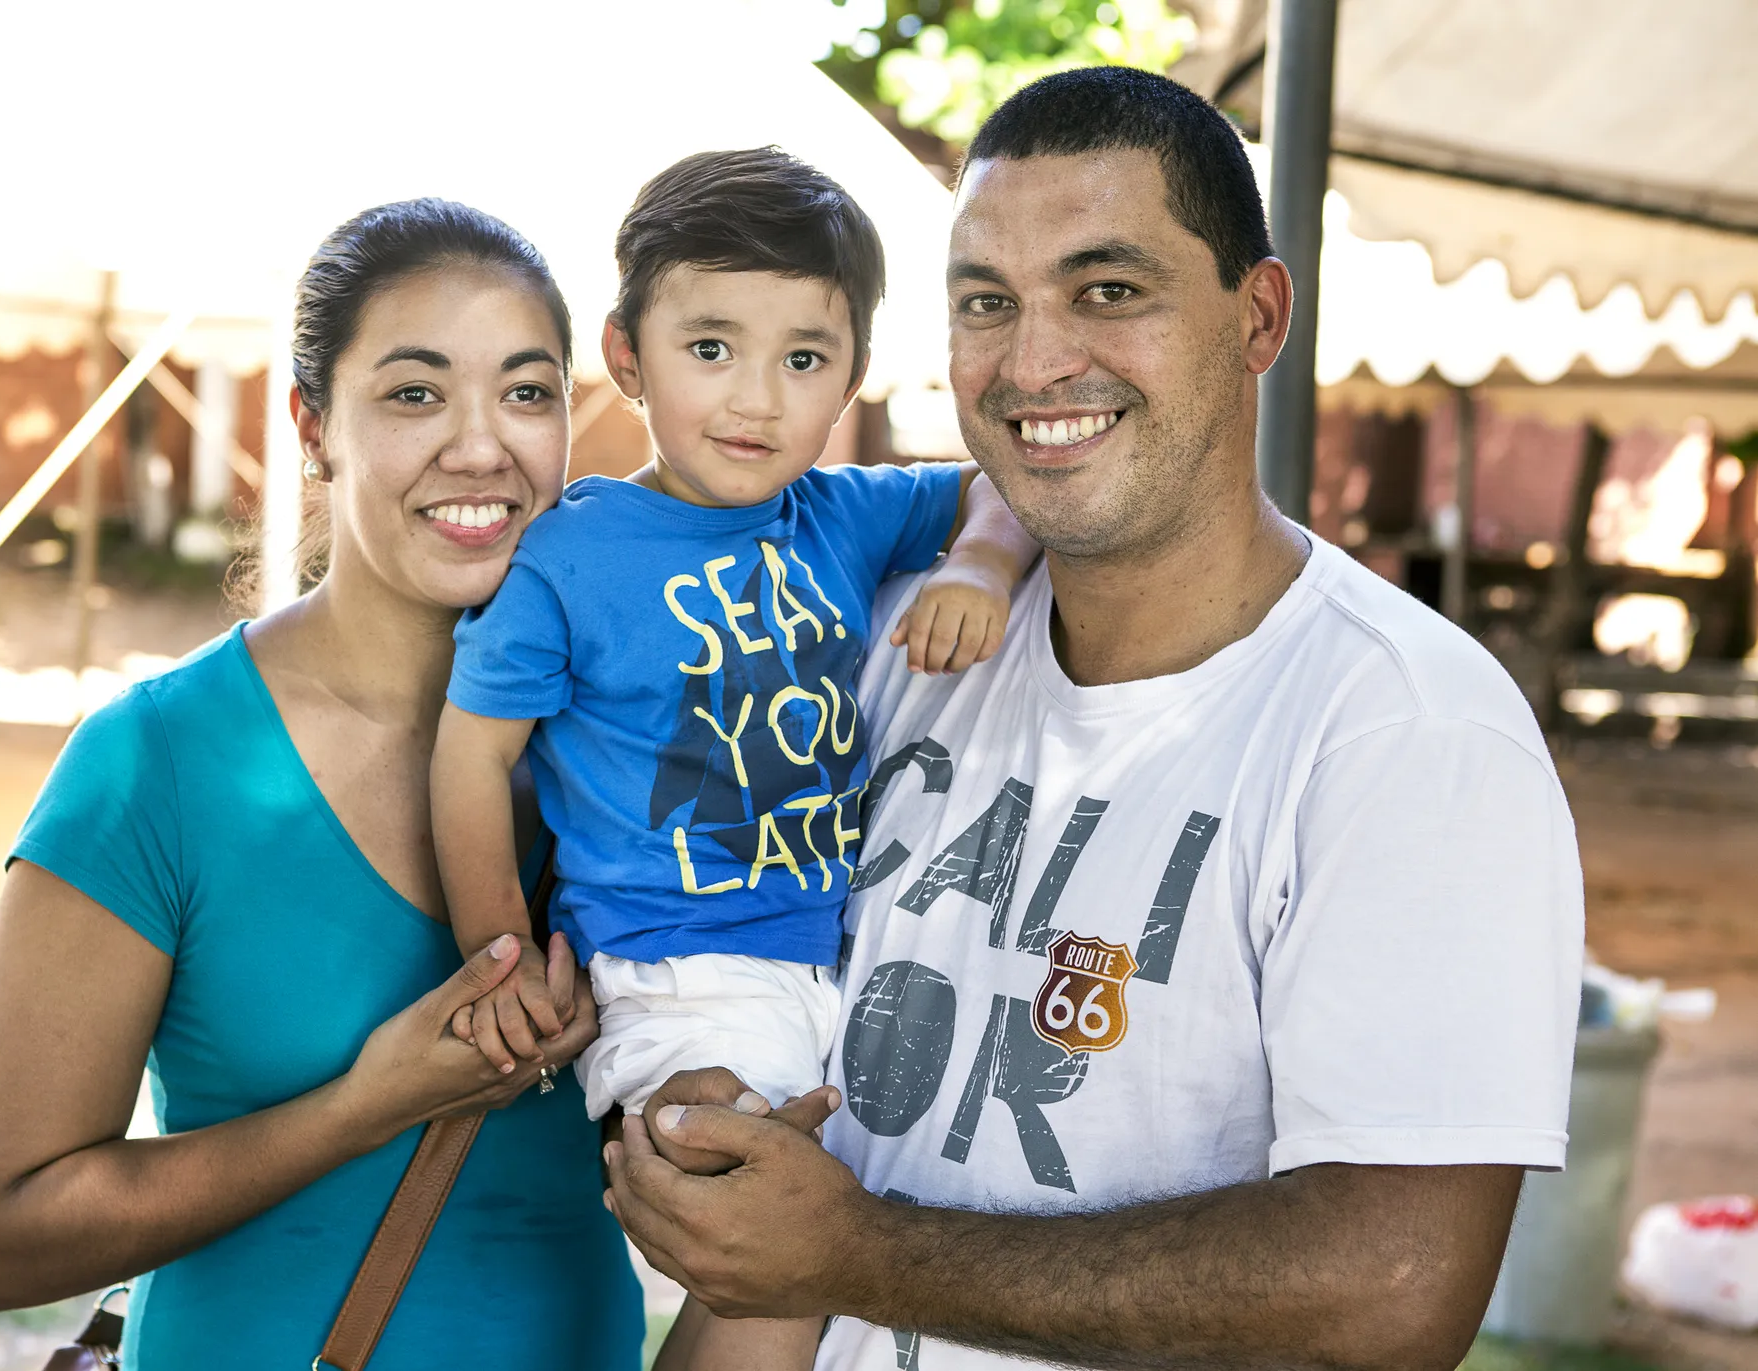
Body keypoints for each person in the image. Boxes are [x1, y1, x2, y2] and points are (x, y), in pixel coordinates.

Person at [607, 69, 1585, 1371]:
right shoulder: (888, 642)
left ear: (1258, 317)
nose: (1033, 360)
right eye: (984, 303)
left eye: (1108, 290)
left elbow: (1391, 1283)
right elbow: (781, 1209)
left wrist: (860, 1250)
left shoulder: (1402, 729)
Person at [0, 199, 642, 1368]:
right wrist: (364, 1106)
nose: (480, 446)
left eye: (526, 392)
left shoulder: (647, 742)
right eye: (414, 394)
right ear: (315, 427)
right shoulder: (158, 763)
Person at [430, 148, 1039, 1367]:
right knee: (753, 1203)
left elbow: (1002, 485)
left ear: (852, 375)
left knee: (813, 1253)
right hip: (671, 965)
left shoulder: (842, 515)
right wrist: (496, 952)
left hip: (834, 964)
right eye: (710, 350)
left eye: (802, 361)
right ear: (625, 357)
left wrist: (977, 564)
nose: (756, 400)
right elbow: (464, 762)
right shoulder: (572, 558)